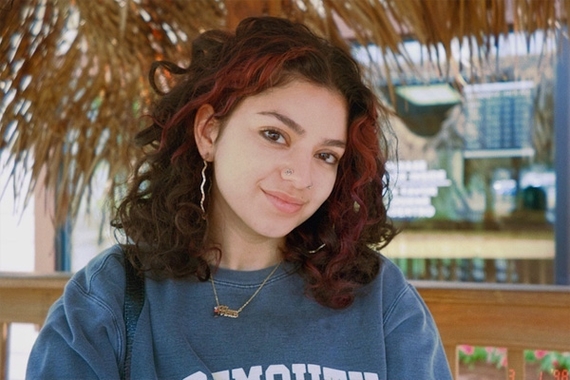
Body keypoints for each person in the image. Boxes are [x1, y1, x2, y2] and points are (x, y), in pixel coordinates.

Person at [27, 16, 452, 380]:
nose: (300, 176)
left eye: (326, 155)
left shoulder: (379, 299)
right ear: (209, 132)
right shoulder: (113, 296)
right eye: (275, 135)